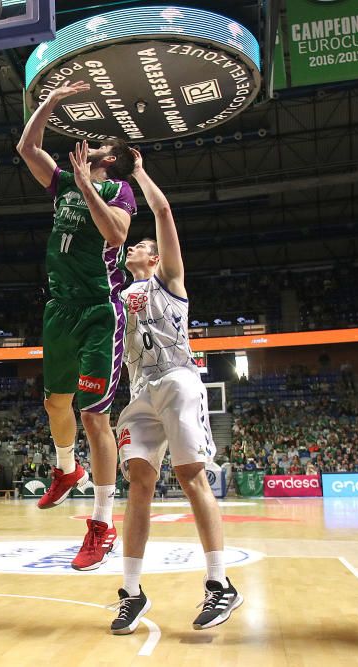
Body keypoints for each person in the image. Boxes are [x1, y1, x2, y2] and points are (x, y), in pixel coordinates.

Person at [110, 149, 241, 635]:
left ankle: (218, 584)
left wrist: (138, 172)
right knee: (138, 487)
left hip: (178, 379)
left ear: (156, 256)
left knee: (190, 477)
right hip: (138, 390)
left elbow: (162, 213)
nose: (135, 249)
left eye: (142, 245)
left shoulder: (170, 280)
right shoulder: (119, 295)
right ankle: (131, 591)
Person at [17, 81, 137, 570]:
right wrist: (49, 103)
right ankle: (67, 471)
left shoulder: (120, 190)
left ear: (109, 160)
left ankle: (102, 524)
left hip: (97, 311)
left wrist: (86, 182)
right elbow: (27, 148)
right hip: (59, 309)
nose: (92, 146)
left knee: (94, 417)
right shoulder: (65, 182)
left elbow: (115, 233)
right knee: (54, 402)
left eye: (102, 147)